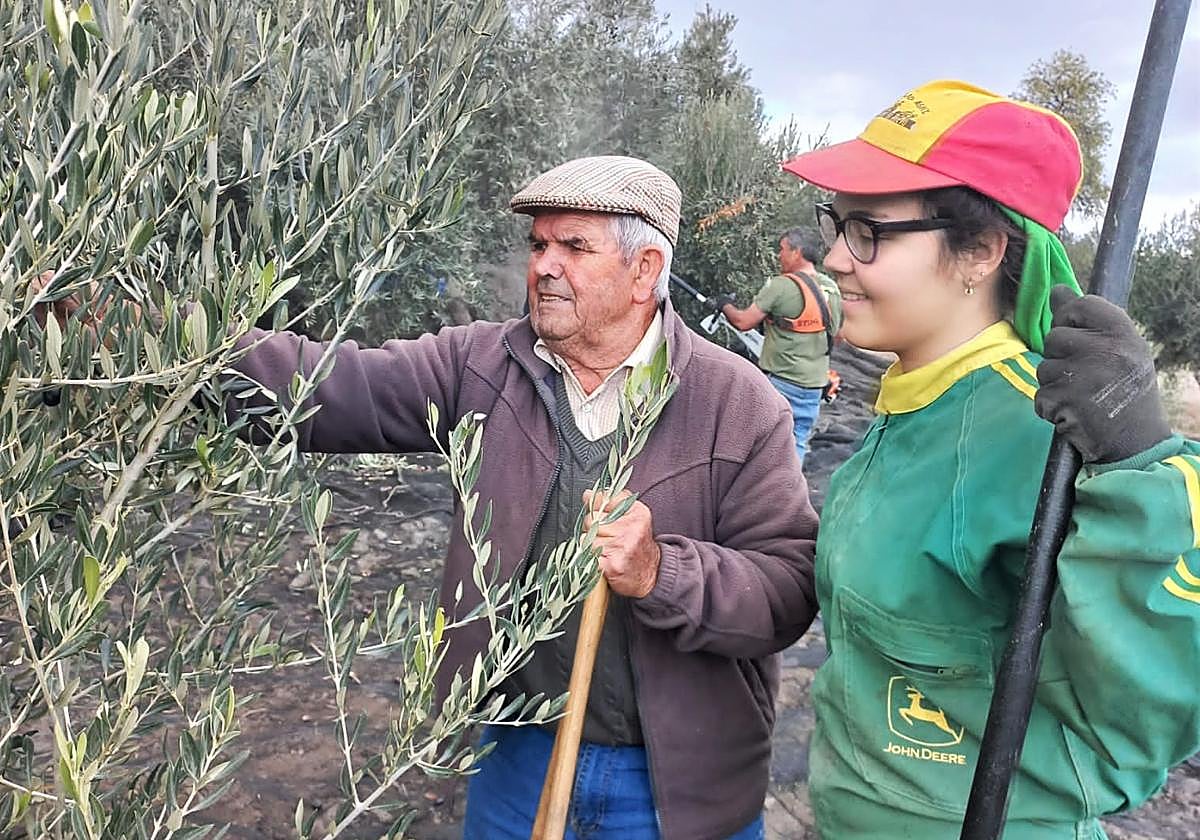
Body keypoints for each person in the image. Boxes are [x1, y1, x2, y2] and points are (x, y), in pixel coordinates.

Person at [224, 156, 818, 840]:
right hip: (518, 752)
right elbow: (331, 385)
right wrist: (176, 347)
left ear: (645, 271)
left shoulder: (738, 403)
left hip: (679, 785)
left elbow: (786, 591)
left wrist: (661, 571)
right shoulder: (482, 365)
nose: (544, 266)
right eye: (539, 245)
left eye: (574, 247)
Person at [778, 78, 1200, 838]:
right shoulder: (914, 402)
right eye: (835, 224)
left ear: (979, 252)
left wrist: (1138, 468)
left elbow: (1140, 720)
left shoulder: (1037, 436)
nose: (835, 258)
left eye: (867, 230)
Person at [718, 229, 842, 464]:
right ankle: (788, 485)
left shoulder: (781, 286)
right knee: (797, 440)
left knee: (758, 441)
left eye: (782, 249)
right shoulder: (831, 288)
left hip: (781, 381)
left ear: (797, 252)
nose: (778, 255)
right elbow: (838, 336)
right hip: (814, 385)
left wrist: (725, 305)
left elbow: (743, 322)